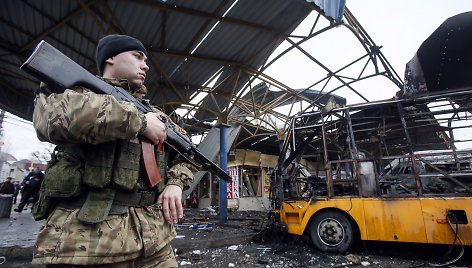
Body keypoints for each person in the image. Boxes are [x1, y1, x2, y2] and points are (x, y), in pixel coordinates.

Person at [30, 34, 196, 267]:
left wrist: (175, 184)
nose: (145, 65)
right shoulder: (73, 90)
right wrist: (140, 122)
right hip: (86, 244)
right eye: (137, 56)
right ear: (110, 57)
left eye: (146, 60)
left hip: (156, 242)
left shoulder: (158, 115)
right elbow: (52, 120)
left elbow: (189, 153)